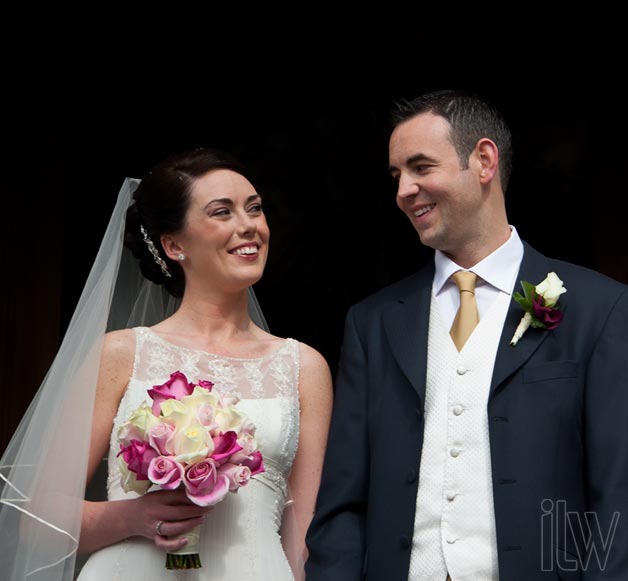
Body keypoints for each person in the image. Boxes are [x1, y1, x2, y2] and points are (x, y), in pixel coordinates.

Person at [305, 90, 628, 580]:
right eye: (397, 176)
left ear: (483, 160)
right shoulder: (372, 323)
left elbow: (617, 494)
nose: (404, 190)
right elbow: (343, 502)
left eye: (420, 167)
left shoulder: (599, 307)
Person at [0, 148, 332, 581]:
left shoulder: (304, 367)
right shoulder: (121, 354)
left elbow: (302, 533)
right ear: (174, 245)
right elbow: (38, 520)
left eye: (254, 209)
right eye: (222, 212)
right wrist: (133, 516)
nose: (248, 225)